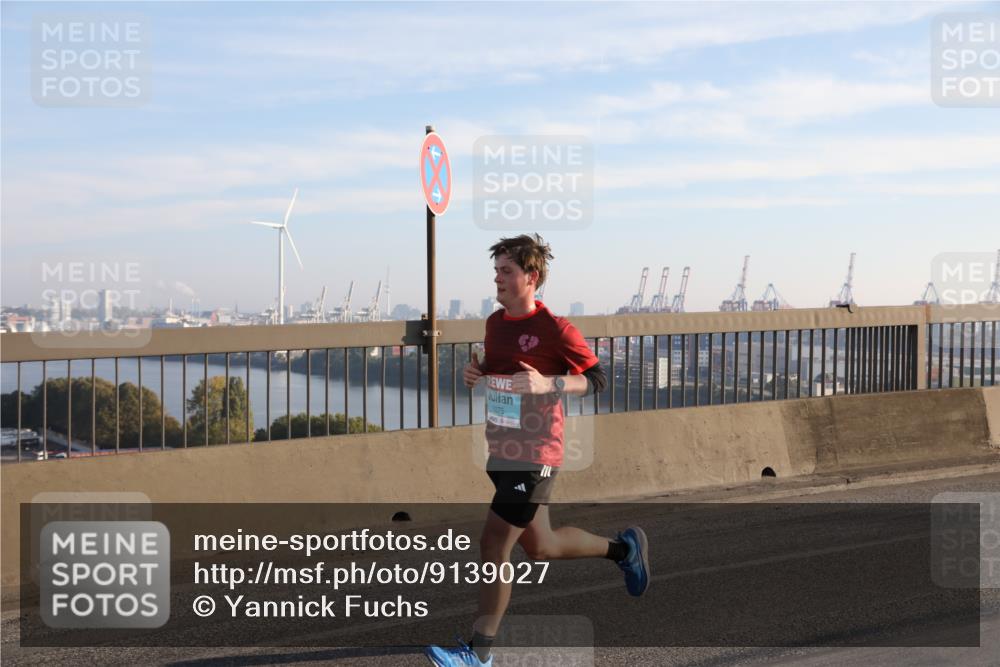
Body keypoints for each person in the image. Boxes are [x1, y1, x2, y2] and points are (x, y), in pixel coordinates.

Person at [426, 234, 649, 667]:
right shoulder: (494, 323)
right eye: (496, 271)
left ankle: (478, 653)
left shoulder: (556, 329)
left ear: (532, 277)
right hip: (502, 448)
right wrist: (478, 370)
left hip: (536, 455)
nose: (498, 279)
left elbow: (597, 378)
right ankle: (624, 550)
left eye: (506, 271)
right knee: (541, 546)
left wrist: (551, 383)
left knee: (493, 546)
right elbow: (499, 368)